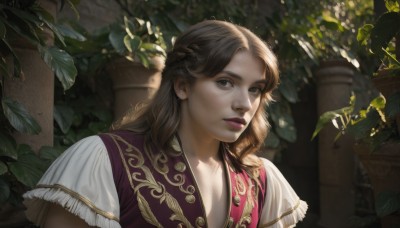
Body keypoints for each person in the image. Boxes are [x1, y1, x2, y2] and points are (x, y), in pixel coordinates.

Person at [23, 20, 307, 228]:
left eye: (255, 89)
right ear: (182, 86)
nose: (244, 103)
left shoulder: (261, 179)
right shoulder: (104, 161)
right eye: (225, 82)